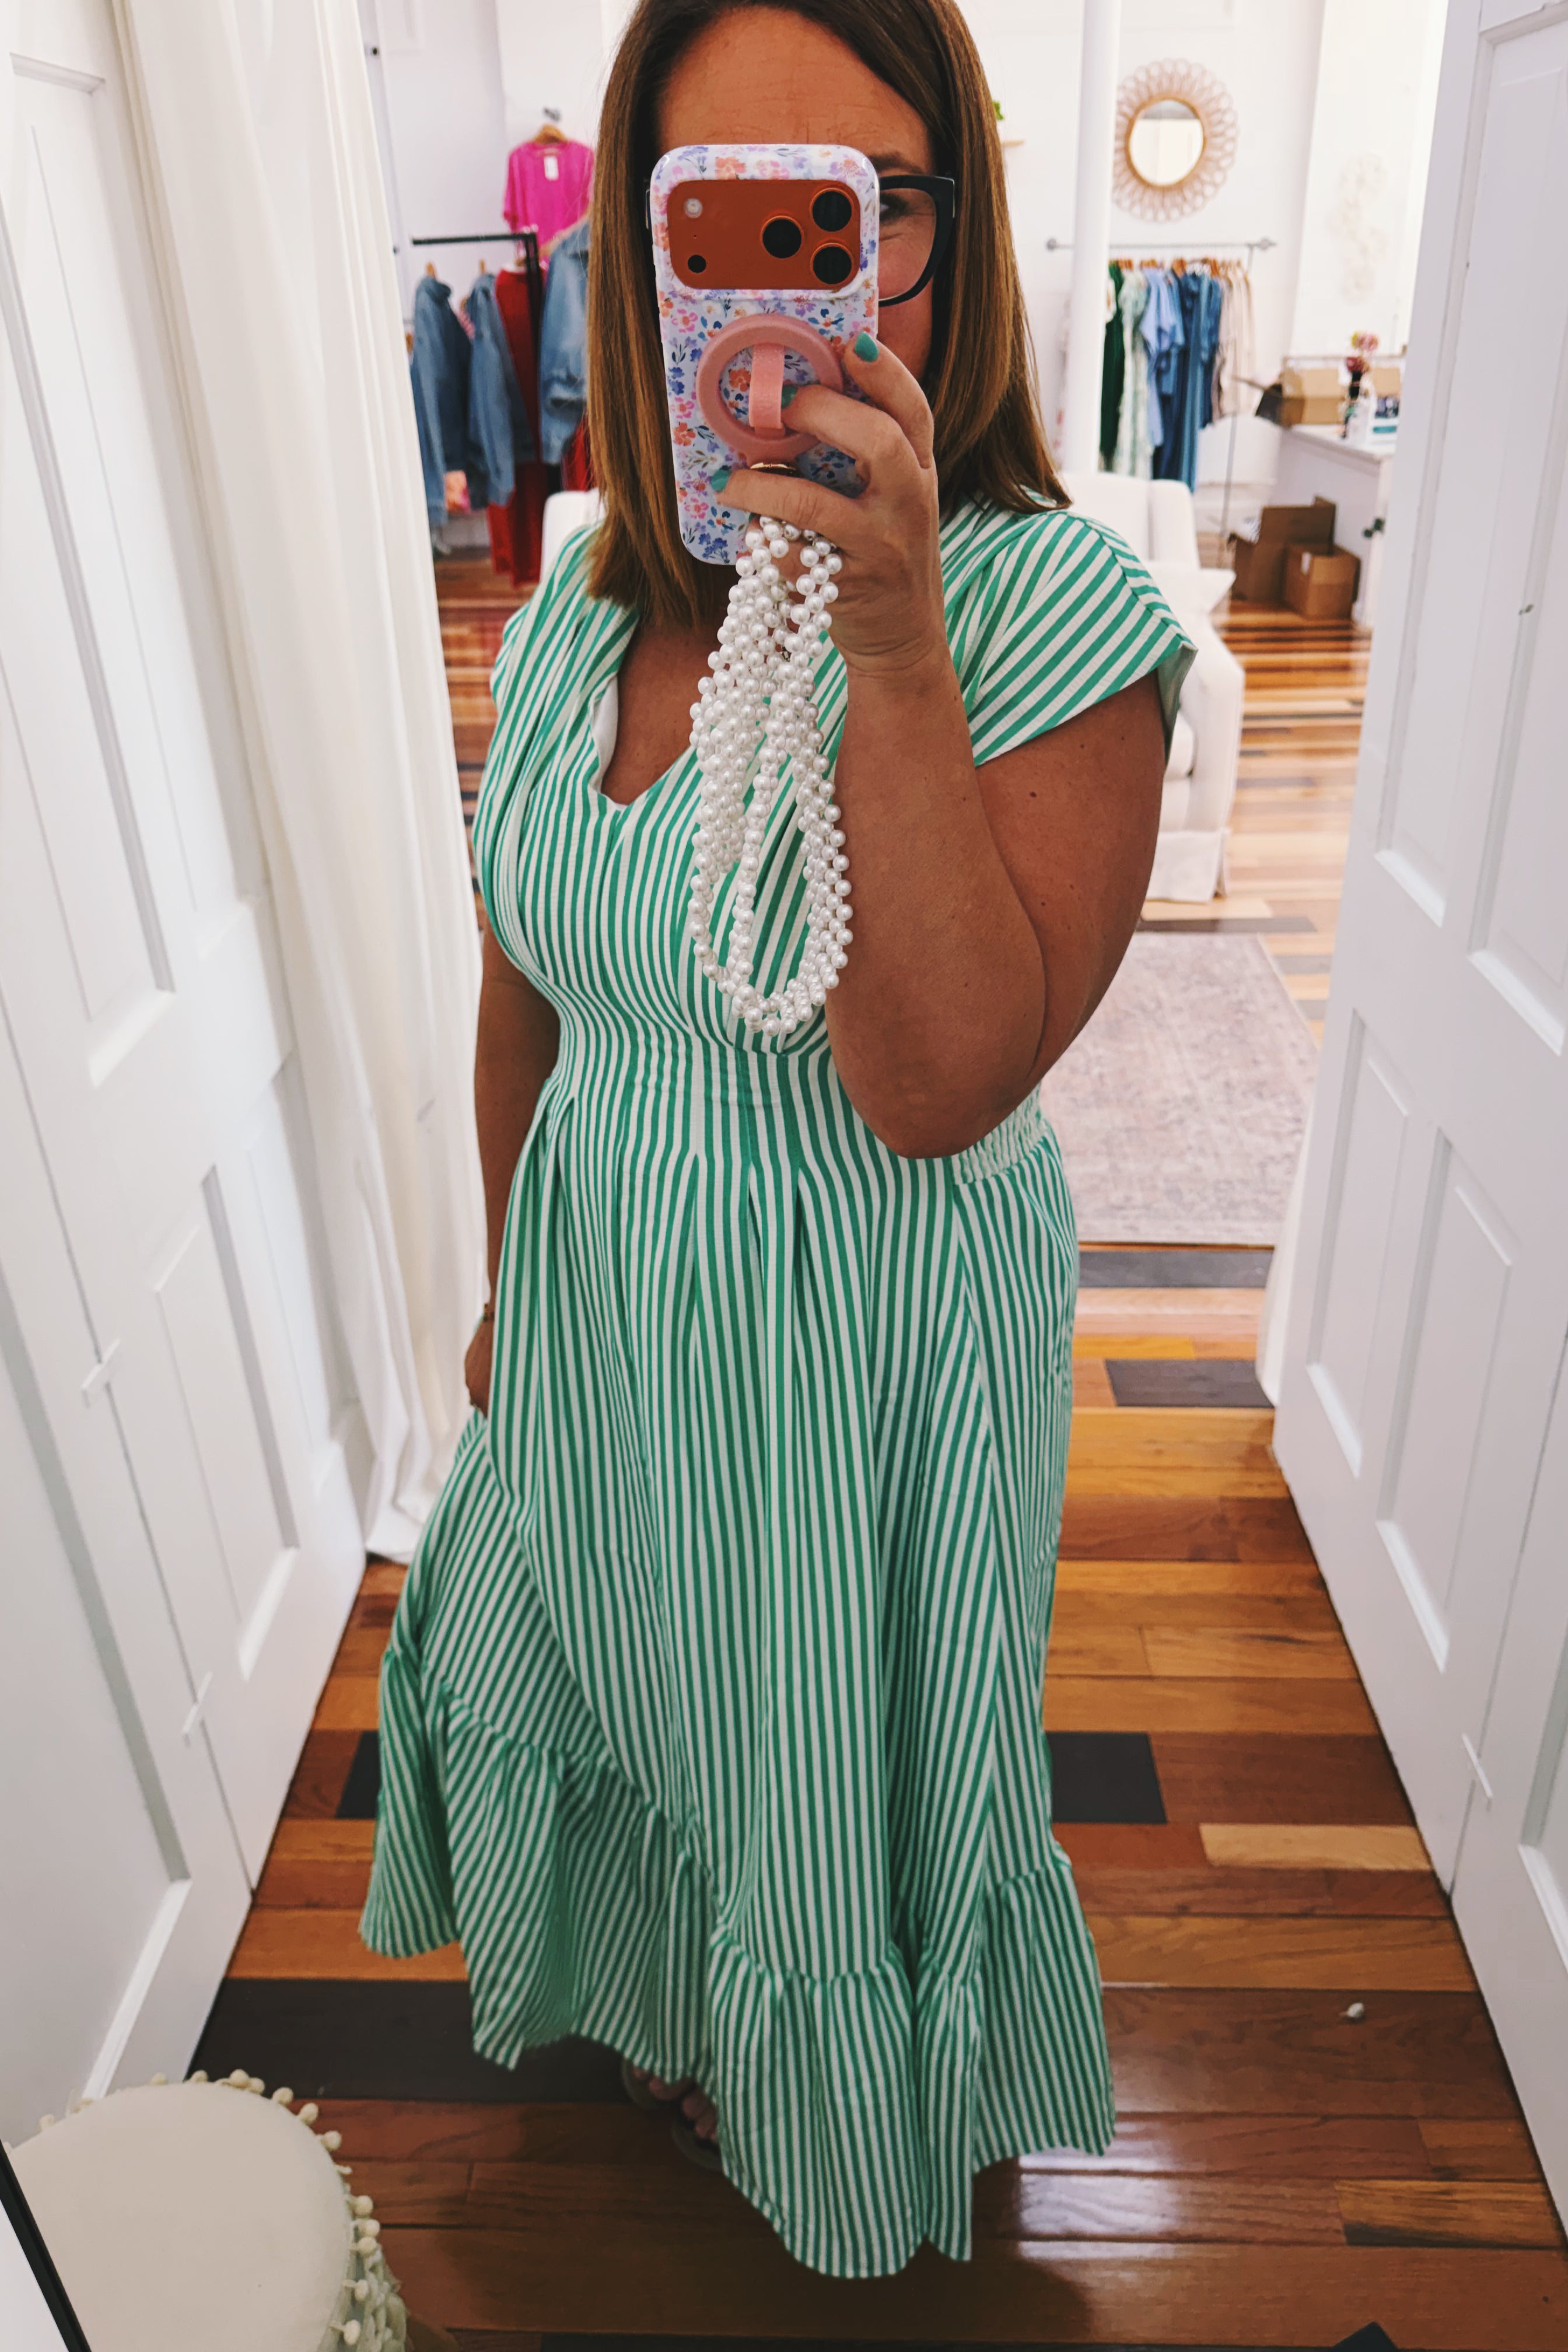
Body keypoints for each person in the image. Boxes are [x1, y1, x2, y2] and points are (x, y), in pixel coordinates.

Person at [362, 0, 1194, 2282]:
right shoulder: (576, 596)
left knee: (819, 1749)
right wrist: (513, 1295)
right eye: (715, 212)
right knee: (632, 1683)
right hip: (607, 1319)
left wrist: (892, 644)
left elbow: (935, 1081)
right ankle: (669, 2001)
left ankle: (838, 2083)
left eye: (856, 207)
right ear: (635, 253)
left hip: (862, 1364)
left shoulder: (1055, 616)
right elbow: (524, 987)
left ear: (950, 226)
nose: (793, 278)